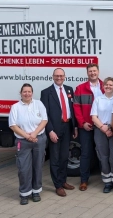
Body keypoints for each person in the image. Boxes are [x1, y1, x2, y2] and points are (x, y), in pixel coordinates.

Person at [40, 68, 78, 197]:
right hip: (55, 129)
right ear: (52, 77)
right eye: (57, 76)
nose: (59, 78)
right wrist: (50, 130)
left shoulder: (69, 90)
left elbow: (72, 110)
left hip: (67, 127)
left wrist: (75, 127)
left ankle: (63, 181)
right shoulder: (46, 93)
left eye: (61, 76)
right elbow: (45, 115)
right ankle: (57, 185)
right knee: (55, 158)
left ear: (65, 76)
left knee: (64, 157)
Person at [9, 83, 48, 205]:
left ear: (32, 93)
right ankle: (24, 193)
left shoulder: (39, 104)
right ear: (20, 93)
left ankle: (36, 191)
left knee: (37, 166)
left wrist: (35, 134)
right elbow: (13, 125)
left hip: (39, 139)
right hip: (23, 141)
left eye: (29, 91)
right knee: (23, 168)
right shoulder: (15, 107)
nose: (27, 94)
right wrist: (27, 136)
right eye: (24, 91)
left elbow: (44, 120)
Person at [73, 63, 104, 191]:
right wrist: (82, 123)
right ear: (87, 73)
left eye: (94, 71)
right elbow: (76, 108)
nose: (92, 73)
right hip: (87, 126)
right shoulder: (80, 88)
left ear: (98, 72)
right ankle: (84, 180)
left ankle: (106, 179)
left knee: (103, 153)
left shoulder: (105, 86)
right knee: (86, 153)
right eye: (90, 71)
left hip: (102, 126)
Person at [91, 77, 113, 194]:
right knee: (103, 157)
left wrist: (110, 128)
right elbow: (94, 116)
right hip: (100, 130)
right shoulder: (98, 99)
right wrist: (103, 128)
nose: (108, 87)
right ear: (103, 86)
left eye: (111, 85)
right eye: (106, 85)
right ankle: (107, 182)